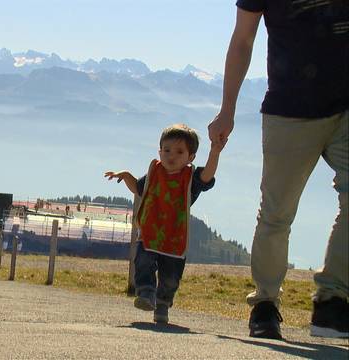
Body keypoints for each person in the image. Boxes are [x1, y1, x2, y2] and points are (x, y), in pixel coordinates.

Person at [209, 1, 348, 340]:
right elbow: (243, 40)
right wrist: (227, 110)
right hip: (289, 111)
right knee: (277, 213)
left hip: (346, 107)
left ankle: (331, 302)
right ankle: (265, 304)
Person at [105, 124, 223, 323]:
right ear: (159, 151)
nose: (171, 156)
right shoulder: (155, 172)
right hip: (151, 232)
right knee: (143, 262)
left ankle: (163, 304)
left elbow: (207, 176)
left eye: (179, 152)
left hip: (174, 236)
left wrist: (215, 152)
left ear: (191, 157)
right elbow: (139, 189)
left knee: (170, 277)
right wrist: (126, 176)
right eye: (166, 150)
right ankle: (146, 293)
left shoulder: (190, 179)